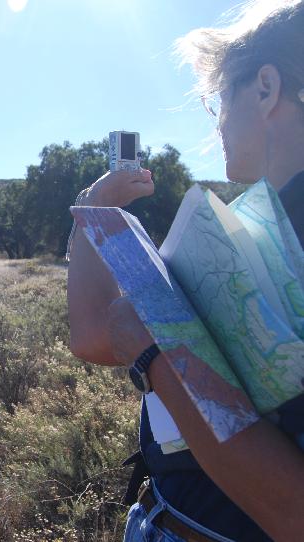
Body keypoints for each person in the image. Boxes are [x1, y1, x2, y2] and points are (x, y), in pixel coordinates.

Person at [67, 1, 304, 541]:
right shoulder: (267, 223)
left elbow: (298, 512)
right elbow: (98, 336)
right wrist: (95, 209)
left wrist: (152, 356)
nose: (218, 122)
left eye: (221, 99)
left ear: (265, 89)